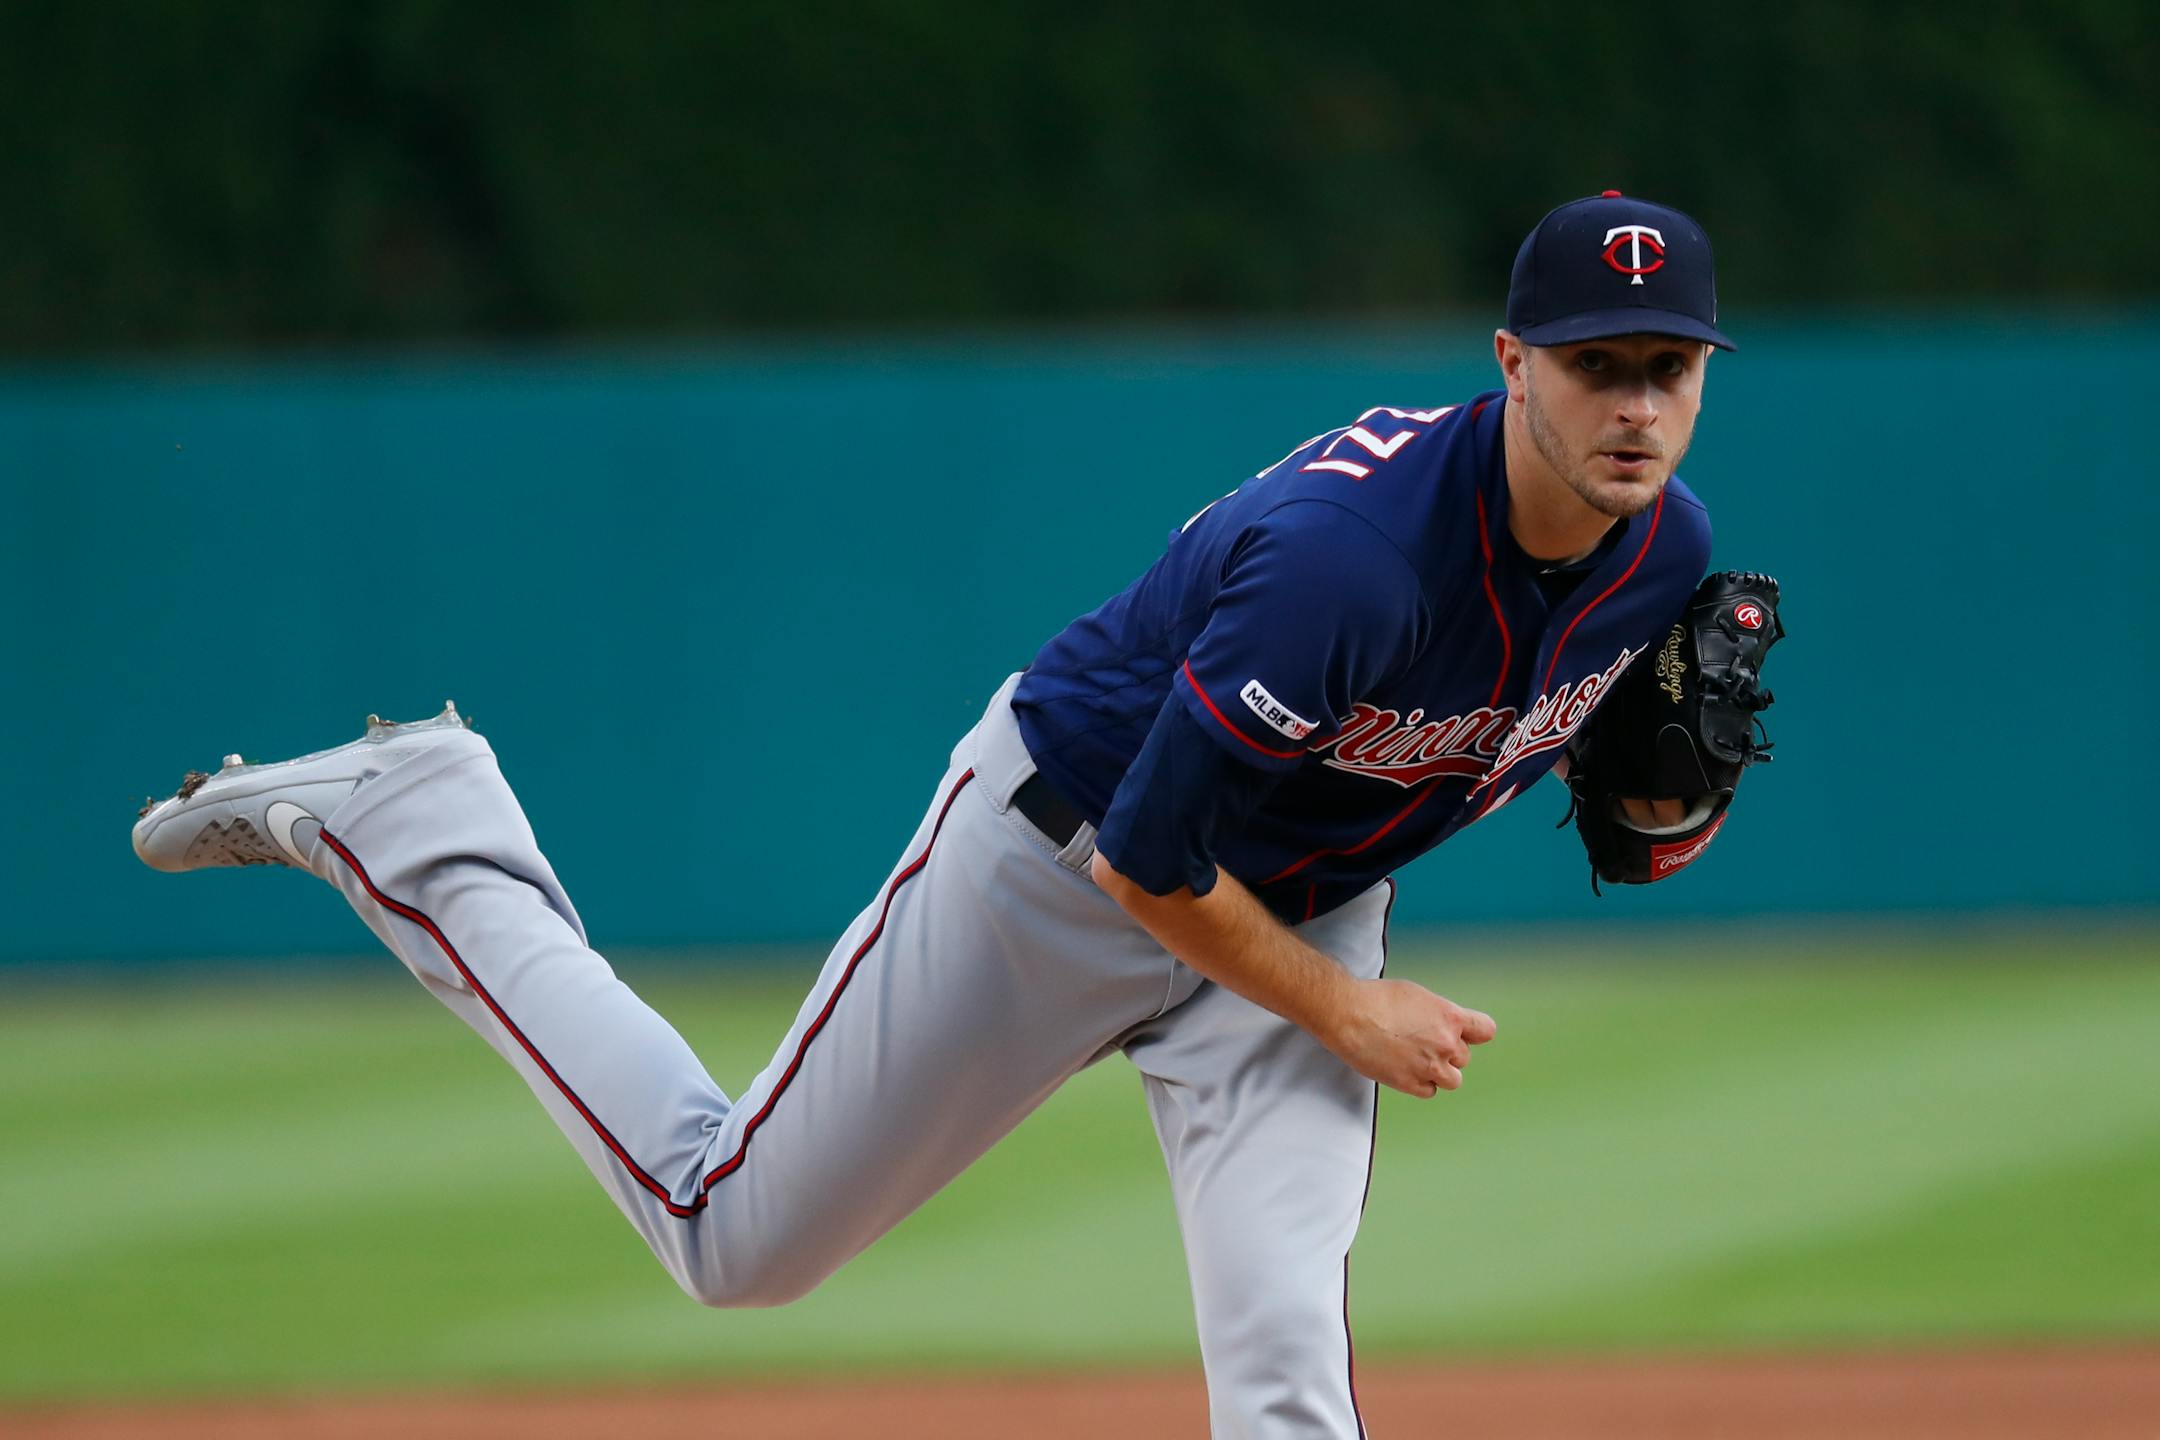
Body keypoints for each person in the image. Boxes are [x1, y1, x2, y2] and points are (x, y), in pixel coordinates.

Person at [133, 191, 1733, 1440]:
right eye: (1597, 363)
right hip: (1070, 864)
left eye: (1667, 369)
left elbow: (1567, 765)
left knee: (1283, 1348)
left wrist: (1665, 812)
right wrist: (1345, 1011)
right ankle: (419, 823)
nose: (1636, 408)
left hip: (1299, 901)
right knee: (731, 1237)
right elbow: (1148, 866)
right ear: (1512, 362)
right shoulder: (1348, 566)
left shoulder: (1665, 554)